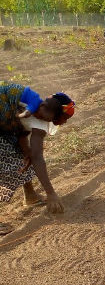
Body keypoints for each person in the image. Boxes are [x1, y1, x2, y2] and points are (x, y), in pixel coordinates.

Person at [0, 83, 75, 214]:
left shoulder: (40, 122)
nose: (65, 122)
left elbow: (21, 134)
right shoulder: (31, 104)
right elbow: (38, 158)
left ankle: (30, 196)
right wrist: (51, 193)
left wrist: (26, 151)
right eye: (65, 118)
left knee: (23, 156)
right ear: (55, 113)